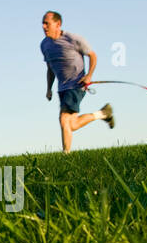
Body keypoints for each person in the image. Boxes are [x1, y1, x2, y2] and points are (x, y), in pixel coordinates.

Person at [40, 11, 114, 152]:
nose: (44, 26)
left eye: (47, 23)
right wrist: (48, 88)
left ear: (58, 24)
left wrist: (89, 76)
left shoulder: (72, 39)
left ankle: (66, 156)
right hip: (62, 88)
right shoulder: (44, 45)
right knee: (71, 124)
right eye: (42, 23)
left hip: (77, 83)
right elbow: (50, 68)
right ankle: (103, 113)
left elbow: (92, 55)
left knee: (64, 119)